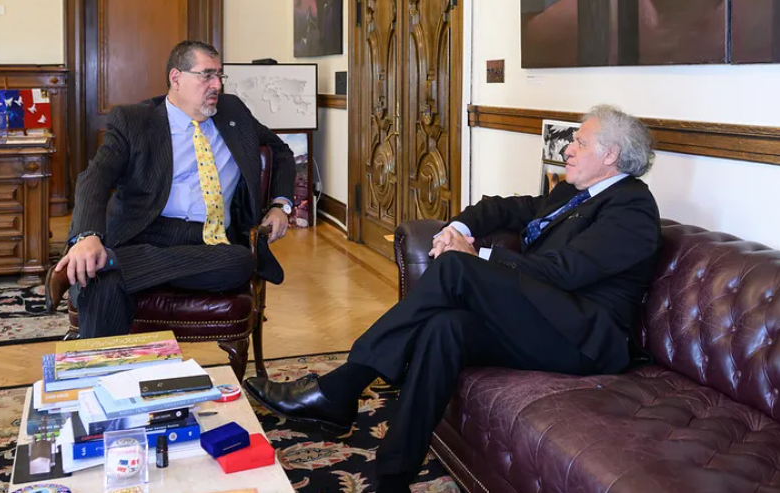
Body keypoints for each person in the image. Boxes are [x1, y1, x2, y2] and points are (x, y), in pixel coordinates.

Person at [244, 105, 662, 493]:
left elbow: (565, 272)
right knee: (445, 329)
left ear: (611, 154)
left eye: (580, 143)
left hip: (585, 338)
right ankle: (393, 475)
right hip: (545, 319)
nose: (567, 148)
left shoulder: (632, 208)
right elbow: (501, 207)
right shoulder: (573, 194)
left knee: (455, 268)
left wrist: (476, 255)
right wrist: (459, 227)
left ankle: (343, 386)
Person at [45, 40, 296, 339]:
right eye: (206, 75)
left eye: (220, 75)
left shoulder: (233, 112)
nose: (217, 84)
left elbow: (281, 151)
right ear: (176, 78)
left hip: (211, 243)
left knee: (240, 261)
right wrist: (86, 237)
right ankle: (105, 381)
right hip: (145, 232)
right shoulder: (134, 121)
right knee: (101, 285)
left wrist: (281, 205)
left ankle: (110, 262)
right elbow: (94, 178)